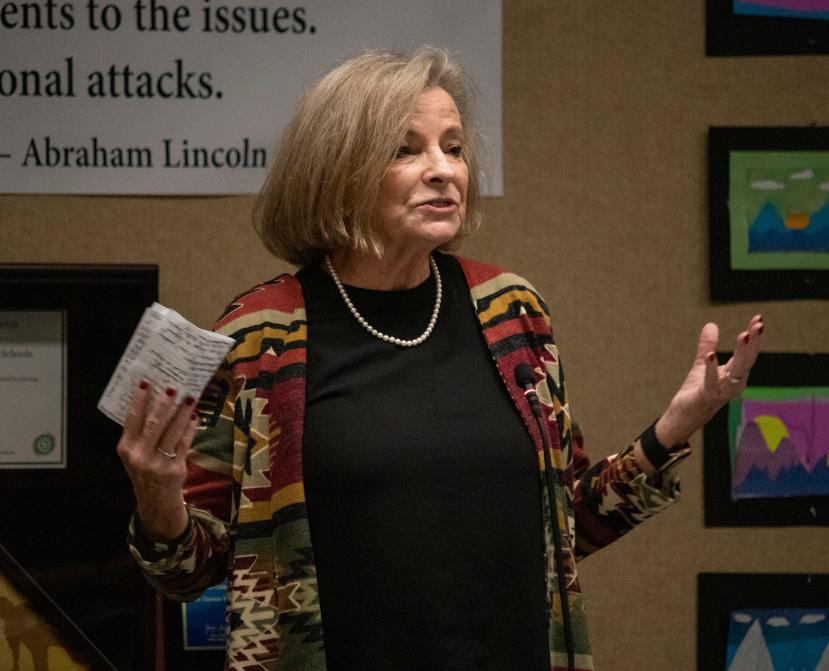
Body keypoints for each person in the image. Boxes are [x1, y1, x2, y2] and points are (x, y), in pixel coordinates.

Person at [117, 46, 764, 671]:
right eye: (406, 149)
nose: (444, 169)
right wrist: (156, 496)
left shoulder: (512, 310)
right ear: (335, 171)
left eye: (452, 147)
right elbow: (190, 570)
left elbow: (567, 527)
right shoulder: (260, 335)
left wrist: (676, 425)